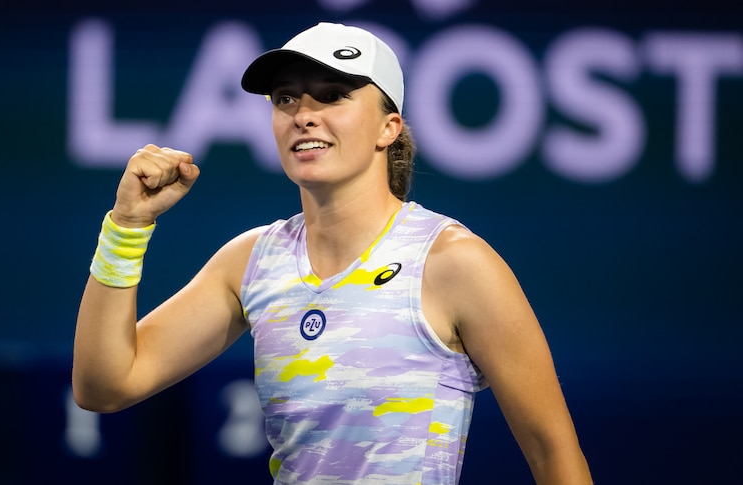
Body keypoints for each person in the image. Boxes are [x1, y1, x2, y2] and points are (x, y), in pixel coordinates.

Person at [73, 22, 593, 484]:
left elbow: (553, 453)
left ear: (388, 127)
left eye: (333, 95)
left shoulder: (454, 262)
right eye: (286, 99)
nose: (304, 115)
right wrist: (127, 227)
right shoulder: (251, 260)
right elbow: (106, 385)